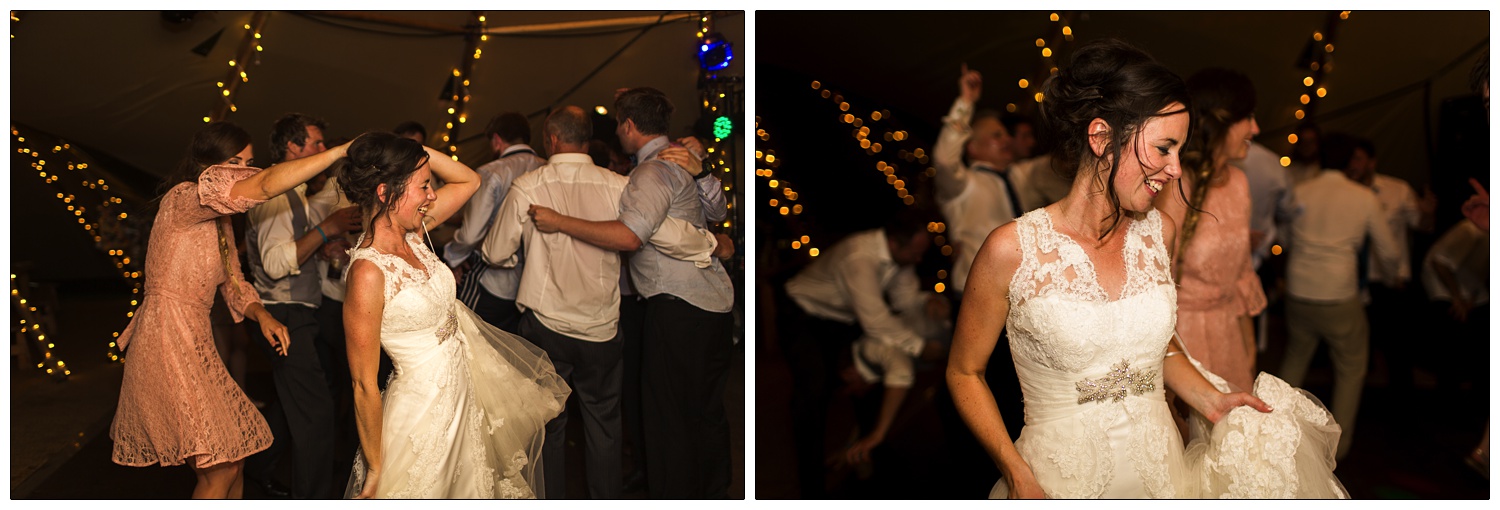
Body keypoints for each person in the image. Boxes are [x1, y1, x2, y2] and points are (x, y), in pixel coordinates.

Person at [946, 38, 1346, 499]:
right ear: (1101, 138)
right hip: (1058, 481)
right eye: (1164, 148)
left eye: (1181, 150)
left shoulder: (1161, 234)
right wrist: (1015, 472)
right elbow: (964, 373)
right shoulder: (1011, 249)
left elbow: (1155, 344)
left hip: (1162, 471)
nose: (1175, 169)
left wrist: (1209, 399)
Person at [482, 106, 723, 499]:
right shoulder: (619, 185)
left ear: (552, 139)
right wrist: (713, 245)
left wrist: (518, 255)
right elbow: (658, 233)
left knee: (548, 425)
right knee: (605, 426)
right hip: (602, 326)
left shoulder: (528, 185)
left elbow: (495, 252)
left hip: (546, 325)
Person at [110, 121, 349, 498]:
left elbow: (234, 282)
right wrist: (336, 152)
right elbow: (266, 185)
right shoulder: (185, 198)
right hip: (166, 339)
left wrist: (262, 313)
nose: (244, 171)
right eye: (235, 162)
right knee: (219, 472)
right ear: (209, 164)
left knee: (234, 462)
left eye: (249, 162)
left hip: (193, 341)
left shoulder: (219, 220)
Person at [338, 132, 570, 499]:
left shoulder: (414, 233)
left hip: (463, 395)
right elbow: (364, 383)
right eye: (424, 187)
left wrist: (408, 151)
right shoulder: (368, 272)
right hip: (421, 415)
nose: (432, 196)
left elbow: (469, 180)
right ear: (385, 193)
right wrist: (377, 465)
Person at [779, 214, 947, 491]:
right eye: (915, 254)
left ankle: (869, 459)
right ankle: (811, 487)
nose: (919, 260)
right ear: (894, 244)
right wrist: (920, 348)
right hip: (802, 315)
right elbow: (877, 321)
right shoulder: (859, 257)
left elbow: (905, 298)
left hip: (843, 319)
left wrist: (928, 301)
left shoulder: (900, 256)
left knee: (868, 385)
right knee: (813, 393)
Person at [242, 113, 362, 499]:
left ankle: (256, 472)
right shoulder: (277, 195)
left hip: (297, 311)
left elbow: (293, 250)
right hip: (285, 314)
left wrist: (323, 247)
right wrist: (327, 229)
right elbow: (276, 264)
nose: (323, 152)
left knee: (290, 404)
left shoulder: (294, 195)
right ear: (292, 148)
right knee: (316, 415)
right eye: (316, 144)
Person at [1277, 132, 1400, 461]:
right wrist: (1394, 277)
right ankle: (1336, 451)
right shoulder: (1363, 197)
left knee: (1295, 356)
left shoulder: (1300, 192)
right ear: (1350, 161)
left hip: (1300, 289)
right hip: (1339, 293)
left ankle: (1272, 432)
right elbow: (1389, 251)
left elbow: (1284, 238)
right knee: (1351, 368)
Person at [1153, 68, 1266, 393]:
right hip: (1180, 342)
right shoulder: (1171, 185)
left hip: (1229, 333)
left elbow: (1242, 272)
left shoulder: (1239, 183)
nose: (1255, 129)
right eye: (1247, 117)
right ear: (1219, 122)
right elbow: (1154, 285)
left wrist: (1248, 350)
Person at [443, 112, 546, 334]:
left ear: (497, 139)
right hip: (534, 284)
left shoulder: (492, 172)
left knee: (466, 339)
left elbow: (471, 234)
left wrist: (453, 258)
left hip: (490, 279)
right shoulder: (548, 170)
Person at [931, 64, 1020, 299]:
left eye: (1006, 135)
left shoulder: (1018, 177)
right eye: (996, 135)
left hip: (1017, 294)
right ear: (973, 146)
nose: (1006, 140)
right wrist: (965, 102)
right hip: (975, 294)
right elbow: (943, 159)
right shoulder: (962, 184)